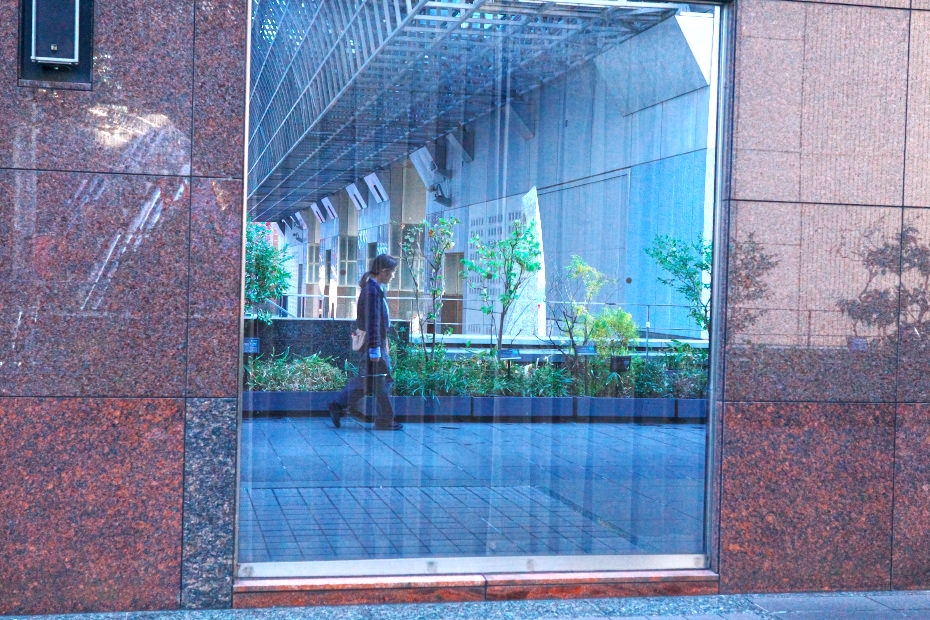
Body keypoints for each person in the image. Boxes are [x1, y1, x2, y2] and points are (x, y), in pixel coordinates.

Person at [328, 254, 402, 431]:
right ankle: (384, 419)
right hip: (373, 344)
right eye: (392, 272)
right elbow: (372, 322)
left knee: (371, 381)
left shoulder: (374, 289)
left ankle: (339, 405)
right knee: (383, 381)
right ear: (383, 271)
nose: (393, 276)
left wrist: (382, 343)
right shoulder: (371, 291)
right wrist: (375, 349)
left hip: (375, 343)